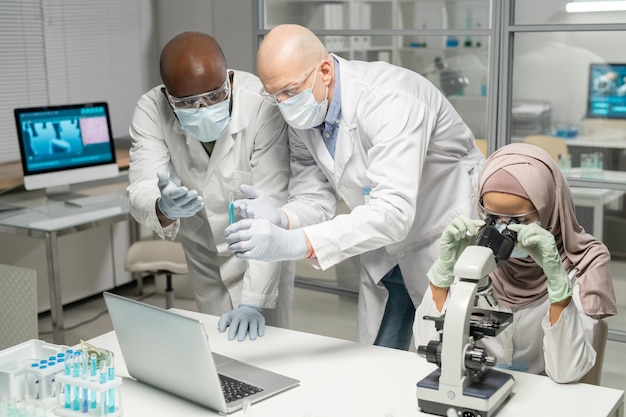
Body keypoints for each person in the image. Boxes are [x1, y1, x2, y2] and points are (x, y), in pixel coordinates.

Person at [224, 24, 485, 350]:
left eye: (289, 91)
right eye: (273, 95)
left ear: (324, 71)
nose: (283, 104)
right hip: (383, 246)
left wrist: (294, 243)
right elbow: (314, 197)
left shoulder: (391, 99)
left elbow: (393, 212)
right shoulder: (304, 114)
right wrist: (282, 218)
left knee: (446, 357)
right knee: (378, 358)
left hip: (441, 233)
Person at [126, 31, 294, 342]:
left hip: (262, 251)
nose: (203, 108)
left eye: (215, 96)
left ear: (229, 79)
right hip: (203, 250)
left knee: (270, 348)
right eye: (188, 103)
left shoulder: (261, 104)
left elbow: (272, 205)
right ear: (167, 97)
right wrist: (162, 207)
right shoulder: (151, 109)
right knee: (213, 348)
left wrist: (253, 302)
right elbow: (141, 187)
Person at [413, 143, 617, 383]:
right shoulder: (473, 254)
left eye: (518, 220)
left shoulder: (584, 266)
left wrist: (557, 282)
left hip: (544, 390)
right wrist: (443, 272)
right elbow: (428, 347)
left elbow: (566, 372)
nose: (502, 231)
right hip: (478, 381)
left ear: (549, 210)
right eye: (492, 217)